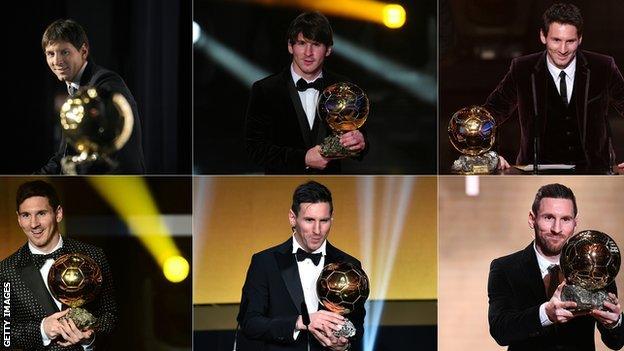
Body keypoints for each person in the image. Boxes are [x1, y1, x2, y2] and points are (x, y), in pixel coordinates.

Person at [484, 3, 624, 173]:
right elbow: (491, 112)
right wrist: (490, 154)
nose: (563, 50)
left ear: (580, 39)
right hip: (536, 173)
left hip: (594, 172)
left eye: (570, 41)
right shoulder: (522, 69)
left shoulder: (602, 67)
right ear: (543, 36)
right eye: (556, 40)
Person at [488, 183, 624, 350]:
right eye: (548, 217)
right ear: (532, 219)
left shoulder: (597, 267)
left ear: (575, 223)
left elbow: (616, 343)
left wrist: (615, 323)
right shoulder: (505, 268)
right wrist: (546, 314)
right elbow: (500, 331)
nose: (557, 229)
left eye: (565, 219)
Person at [237, 181, 365, 351]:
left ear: (331, 219)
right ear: (292, 218)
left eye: (324, 220)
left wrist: (344, 343)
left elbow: (356, 324)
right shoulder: (265, 262)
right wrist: (299, 322)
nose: (317, 230)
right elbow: (249, 322)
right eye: (309, 220)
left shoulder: (350, 264)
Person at [0, 180, 117, 350]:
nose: (33, 224)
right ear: (18, 219)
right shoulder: (5, 271)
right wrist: (42, 329)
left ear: (58, 213)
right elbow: (3, 335)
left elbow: (110, 315)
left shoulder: (93, 256)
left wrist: (89, 338)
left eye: (41, 213)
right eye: (26, 215)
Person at [245, 11, 367, 174]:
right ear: (290, 46)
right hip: (280, 190)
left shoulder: (343, 87)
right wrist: (303, 158)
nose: (308, 53)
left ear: (328, 49)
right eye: (302, 43)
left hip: (331, 189)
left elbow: (358, 139)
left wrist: (361, 142)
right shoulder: (265, 89)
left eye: (316, 44)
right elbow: (255, 150)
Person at [37, 19, 145, 174]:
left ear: (84, 51)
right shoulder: (75, 92)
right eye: (50, 54)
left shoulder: (105, 85)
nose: (56, 61)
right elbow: (64, 156)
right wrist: (31, 181)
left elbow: (111, 156)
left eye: (64, 52)